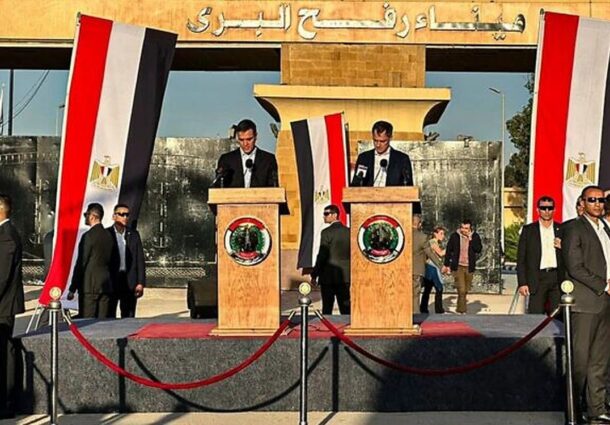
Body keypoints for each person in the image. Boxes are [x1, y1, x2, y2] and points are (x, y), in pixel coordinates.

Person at [562, 185, 610, 424]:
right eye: (592, 200)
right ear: (583, 202)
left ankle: (597, 408)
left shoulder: (606, 229)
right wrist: (604, 285)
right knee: (579, 362)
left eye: (601, 200)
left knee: (600, 361)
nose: (598, 204)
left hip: (605, 304)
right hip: (584, 304)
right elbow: (575, 267)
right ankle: (573, 409)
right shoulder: (573, 228)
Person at [516, 196, 562, 314]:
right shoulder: (529, 230)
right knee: (535, 315)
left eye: (550, 208)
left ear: (554, 210)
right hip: (537, 278)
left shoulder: (562, 229)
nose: (547, 211)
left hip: (557, 277)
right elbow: (521, 259)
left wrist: (563, 247)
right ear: (538, 210)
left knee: (557, 316)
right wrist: (522, 283)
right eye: (543, 208)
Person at [67, 203, 114, 318]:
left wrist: (73, 287)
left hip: (89, 286)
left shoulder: (88, 236)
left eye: (85, 215)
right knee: (103, 321)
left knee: (88, 322)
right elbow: (113, 261)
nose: (85, 218)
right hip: (106, 284)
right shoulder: (109, 236)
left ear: (92, 216)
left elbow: (81, 262)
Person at [0, 194, 24, 419]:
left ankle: (6, 403)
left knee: (5, 355)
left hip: (3, 305)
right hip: (4, 304)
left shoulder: (6, 235)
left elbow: (2, 275)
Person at [214, 119, 278, 188]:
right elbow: (219, 187)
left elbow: (273, 188)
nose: (245, 144)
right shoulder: (226, 160)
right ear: (237, 138)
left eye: (249, 139)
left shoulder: (268, 160)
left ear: (256, 136)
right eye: (241, 140)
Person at [310, 205, 350, 315]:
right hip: (345, 276)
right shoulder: (349, 232)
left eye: (327, 214)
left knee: (327, 307)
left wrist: (314, 274)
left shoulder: (326, 232)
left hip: (328, 276)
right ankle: (346, 328)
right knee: (346, 307)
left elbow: (322, 255)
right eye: (324, 214)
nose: (324, 216)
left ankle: (327, 329)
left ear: (335, 215)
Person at [107, 204, 146, 318]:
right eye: (121, 214)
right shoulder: (107, 234)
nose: (125, 217)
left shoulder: (134, 235)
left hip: (129, 280)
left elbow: (139, 259)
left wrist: (140, 283)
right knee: (109, 314)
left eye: (127, 215)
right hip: (112, 280)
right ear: (114, 216)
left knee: (128, 315)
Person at [350, 120, 413, 187]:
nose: (378, 145)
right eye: (375, 140)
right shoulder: (364, 158)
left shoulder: (402, 159)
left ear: (390, 138)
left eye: (382, 141)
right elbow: (356, 184)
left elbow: (408, 187)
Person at [442, 219, 482, 314]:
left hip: (469, 266)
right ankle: (462, 310)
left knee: (466, 289)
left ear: (470, 229)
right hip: (458, 266)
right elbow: (448, 250)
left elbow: (478, 249)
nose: (464, 230)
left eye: (466, 228)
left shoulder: (475, 237)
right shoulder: (455, 236)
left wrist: (470, 240)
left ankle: (460, 307)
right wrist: (446, 264)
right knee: (462, 289)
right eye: (462, 228)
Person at [420, 226, 446, 314]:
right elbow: (440, 253)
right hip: (432, 267)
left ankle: (423, 308)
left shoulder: (434, 242)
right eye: (441, 234)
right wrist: (451, 248)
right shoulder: (432, 242)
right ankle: (439, 309)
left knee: (428, 288)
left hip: (431, 266)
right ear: (435, 234)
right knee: (439, 287)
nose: (443, 236)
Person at [412, 215, 427, 311]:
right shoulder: (422, 237)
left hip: (401, 270)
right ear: (420, 224)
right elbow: (430, 253)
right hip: (416, 271)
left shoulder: (401, 235)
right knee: (415, 295)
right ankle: (415, 319)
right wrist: (441, 266)